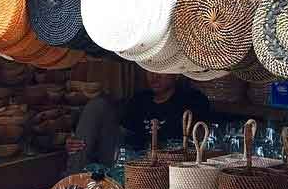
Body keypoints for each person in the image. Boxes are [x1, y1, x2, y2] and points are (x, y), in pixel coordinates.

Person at [66, 72, 211, 168]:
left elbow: (200, 144)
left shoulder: (192, 101)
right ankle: (72, 186)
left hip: (169, 168)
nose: (154, 76)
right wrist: (81, 138)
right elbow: (119, 137)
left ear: (176, 73)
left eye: (160, 69)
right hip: (129, 165)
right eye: (149, 68)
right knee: (98, 105)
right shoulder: (139, 100)